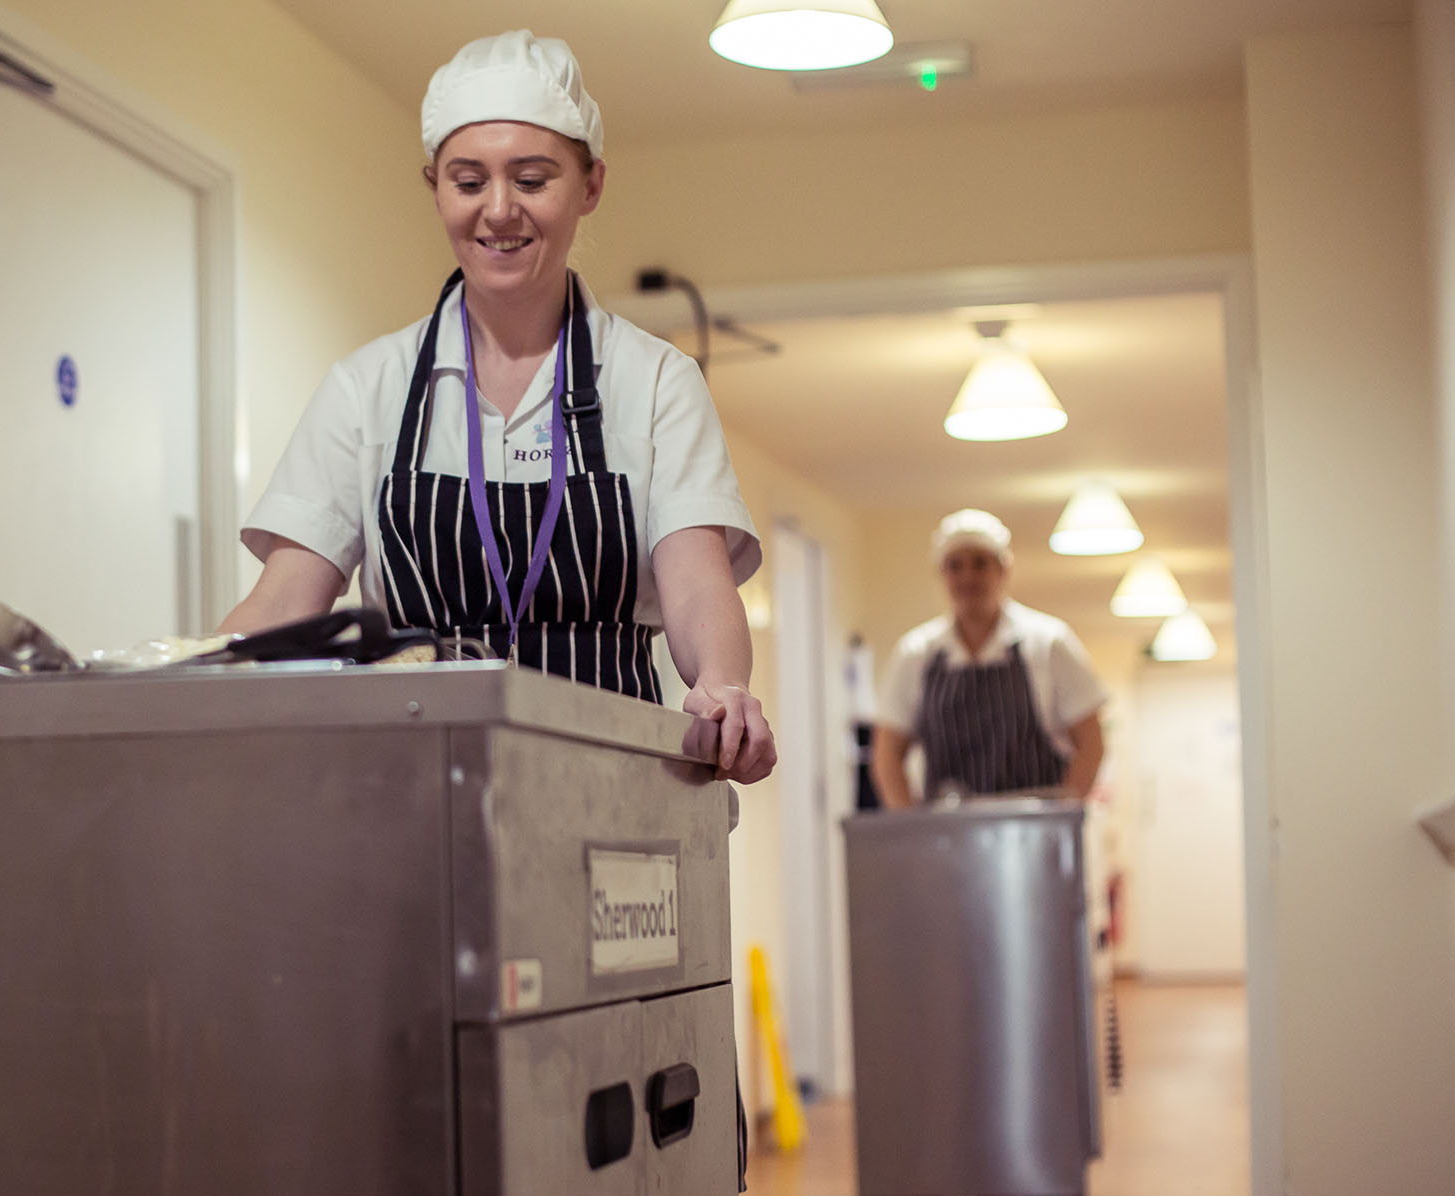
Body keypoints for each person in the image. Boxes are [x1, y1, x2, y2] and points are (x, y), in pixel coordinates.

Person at [218, 30, 774, 784]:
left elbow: (697, 583)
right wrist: (172, 686)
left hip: (612, 791)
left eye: (533, 179)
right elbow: (287, 599)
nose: (499, 211)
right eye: (468, 181)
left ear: (592, 185)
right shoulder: (367, 387)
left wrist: (722, 688)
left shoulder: (654, 381)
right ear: (435, 186)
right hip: (410, 789)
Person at [871, 509, 1106, 806]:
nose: (968, 576)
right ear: (942, 575)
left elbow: (1092, 743)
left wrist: (1061, 818)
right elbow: (887, 754)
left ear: (1003, 569)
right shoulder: (916, 654)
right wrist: (911, 828)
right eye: (955, 566)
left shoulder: (1049, 644)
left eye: (980, 564)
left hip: (1034, 837)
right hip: (947, 841)